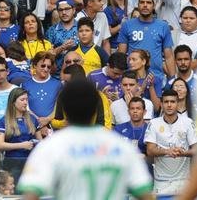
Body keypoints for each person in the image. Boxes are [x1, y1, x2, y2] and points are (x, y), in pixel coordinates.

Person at [16, 78, 153, 200]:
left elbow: (30, 195)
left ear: (65, 108)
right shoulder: (120, 145)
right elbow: (145, 194)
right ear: (95, 108)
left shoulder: (50, 147)